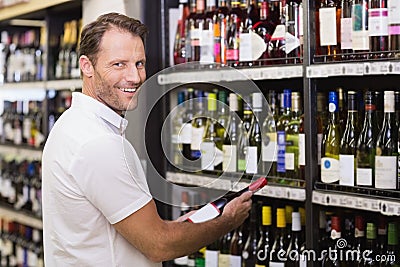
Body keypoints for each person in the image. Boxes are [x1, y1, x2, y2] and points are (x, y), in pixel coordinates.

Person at [41, 12, 252, 266]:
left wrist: (184, 226)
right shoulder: (97, 143)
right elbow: (158, 245)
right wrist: (227, 221)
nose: (135, 77)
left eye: (139, 63)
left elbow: (130, 231)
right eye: (119, 64)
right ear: (87, 66)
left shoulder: (72, 124)